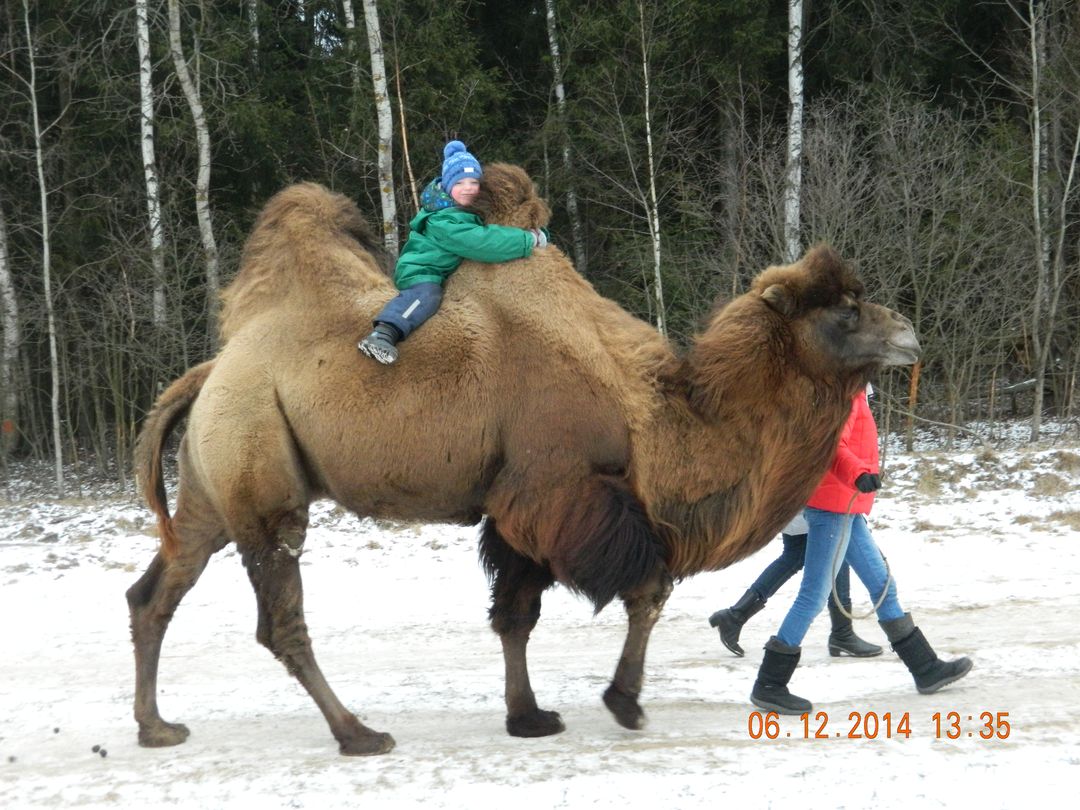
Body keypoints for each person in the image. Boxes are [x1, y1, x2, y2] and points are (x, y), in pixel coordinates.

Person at [750, 385, 973, 715]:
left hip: (846, 507)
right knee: (813, 596)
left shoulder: (854, 390)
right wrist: (858, 474)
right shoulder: (844, 392)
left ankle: (925, 668)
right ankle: (769, 684)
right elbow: (832, 446)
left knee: (883, 587)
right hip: (832, 507)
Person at [358, 140, 547, 364]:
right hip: (422, 270)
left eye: (474, 182)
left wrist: (537, 230)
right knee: (427, 296)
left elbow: (494, 230)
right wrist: (528, 240)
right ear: (447, 186)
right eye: (459, 182)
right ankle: (384, 333)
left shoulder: (465, 212)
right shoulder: (444, 221)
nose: (468, 188)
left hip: (445, 270)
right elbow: (481, 242)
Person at [708, 511, 883, 658]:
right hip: (812, 503)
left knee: (798, 555)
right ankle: (842, 633)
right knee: (835, 549)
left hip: (794, 502)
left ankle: (736, 615)